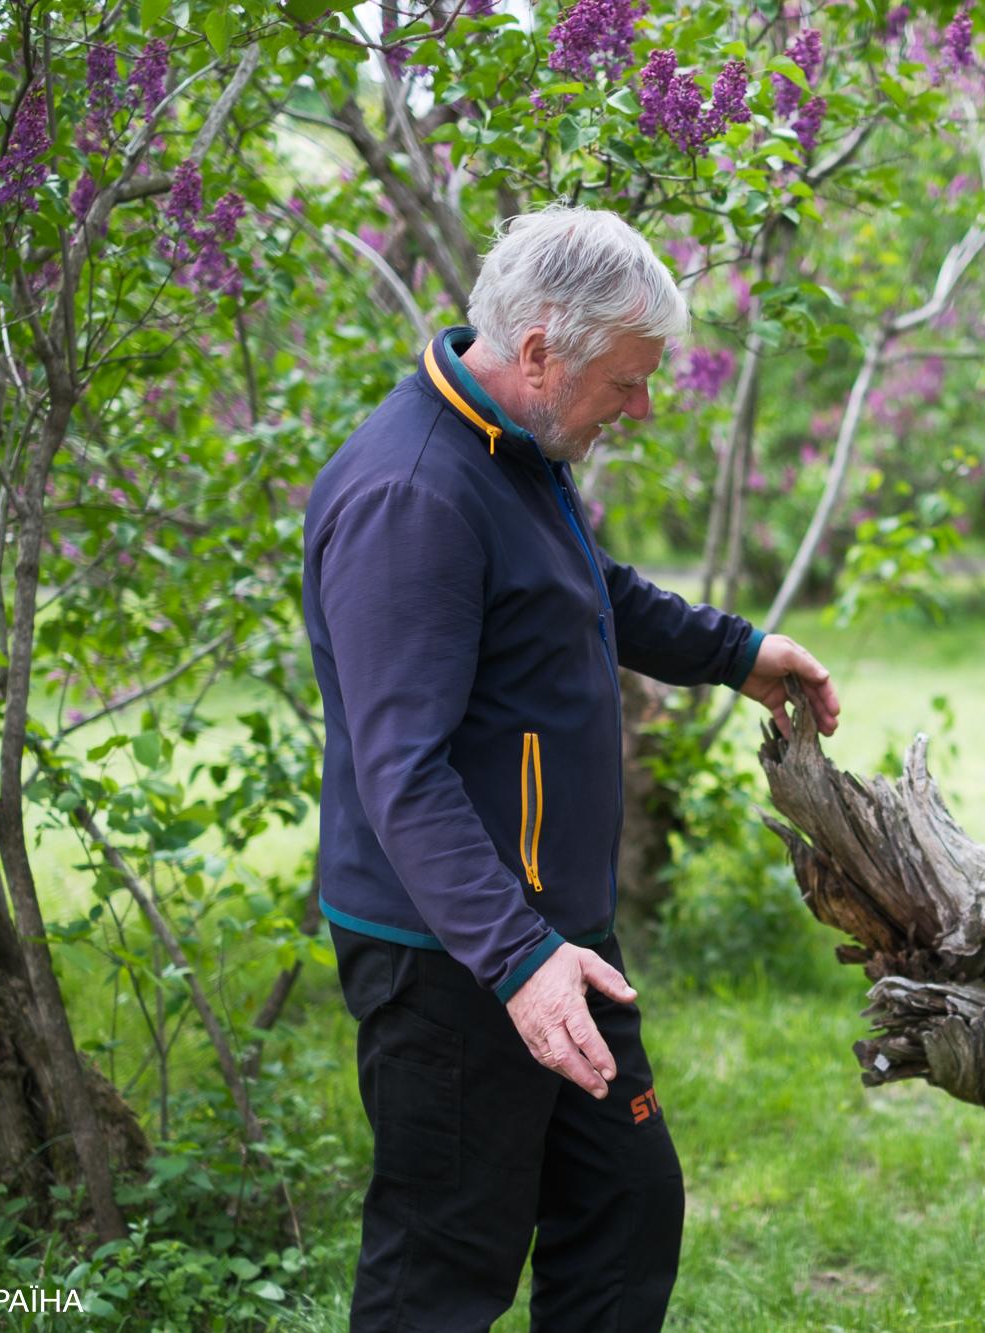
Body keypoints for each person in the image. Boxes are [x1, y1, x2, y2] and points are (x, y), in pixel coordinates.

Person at [301, 205, 842, 1330]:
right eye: (626, 381)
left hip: (552, 936)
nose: (640, 407)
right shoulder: (413, 493)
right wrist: (519, 961)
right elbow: (400, 770)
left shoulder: (513, 448)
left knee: (623, 1208)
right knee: (444, 1266)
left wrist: (735, 651)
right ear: (541, 350)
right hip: (455, 952)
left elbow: (586, 589)